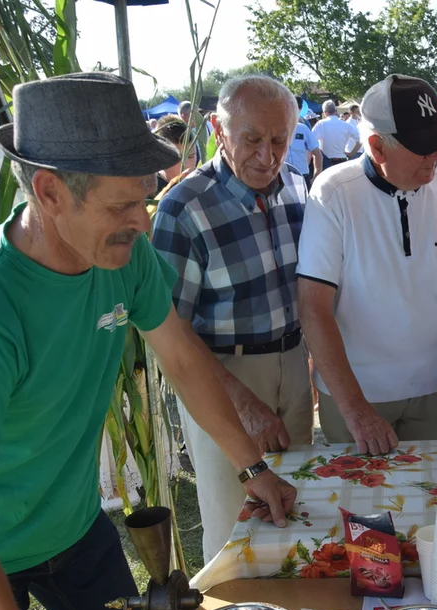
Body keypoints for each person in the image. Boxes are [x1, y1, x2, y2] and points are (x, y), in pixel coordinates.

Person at [0, 73, 298, 610]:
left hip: (73, 527)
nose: (143, 222)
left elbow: (182, 358)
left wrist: (251, 467)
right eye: (121, 207)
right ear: (49, 191)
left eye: (144, 199)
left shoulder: (124, 255)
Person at [152, 76, 313, 564]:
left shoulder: (297, 191)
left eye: (279, 140)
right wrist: (241, 401)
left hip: (292, 362)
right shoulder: (183, 207)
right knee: (232, 522)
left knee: (294, 501)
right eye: (252, 139)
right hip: (221, 375)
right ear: (219, 131)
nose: (267, 156)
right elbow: (169, 329)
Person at [297, 74, 437, 453]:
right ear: (377, 147)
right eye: (423, 147)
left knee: (430, 501)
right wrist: (356, 409)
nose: (436, 156)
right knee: (360, 507)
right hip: (359, 393)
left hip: (436, 387)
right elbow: (314, 306)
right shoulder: (333, 193)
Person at [152, 114, 197, 196]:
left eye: (191, 156)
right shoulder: (150, 190)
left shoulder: (201, 183)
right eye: (177, 159)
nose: (187, 166)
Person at [312, 99, 360, 169]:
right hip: (342, 160)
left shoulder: (321, 124)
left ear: (325, 112)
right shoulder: (346, 125)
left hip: (326, 161)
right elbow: (360, 140)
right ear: (336, 111)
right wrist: (352, 153)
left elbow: (311, 141)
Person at [287, 98, 323, 186]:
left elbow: (317, 153)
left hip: (302, 176)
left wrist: (316, 175)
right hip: (282, 177)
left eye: (295, 108)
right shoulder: (274, 129)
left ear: (299, 109)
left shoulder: (303, 129)